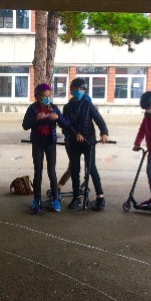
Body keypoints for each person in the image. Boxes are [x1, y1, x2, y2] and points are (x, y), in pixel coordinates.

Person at [62, 77, 109, 210]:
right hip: (73, 143)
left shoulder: (88, 105)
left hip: (89, 142)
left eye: (82, 89)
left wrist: (104, 133)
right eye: (77, 89)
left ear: (85, 91)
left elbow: (99, 120)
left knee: (91, 169)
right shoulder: (67, 107)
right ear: (71, 90)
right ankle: (76, 197)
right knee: (75, 169)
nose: (79, 91)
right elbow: (65, 125)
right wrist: (74, 134)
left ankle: (100, 198)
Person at [22, 83, 68, 212]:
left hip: (50, 142)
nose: (47, 98)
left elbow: (65, 123)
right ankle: (37, 200)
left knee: (51, 172)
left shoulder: (53, 108)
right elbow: (25, 125)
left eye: (49, 96)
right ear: (37, 97)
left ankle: (55, 200)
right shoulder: (32, 109)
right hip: (37, 142)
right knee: (38, 171)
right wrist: (37, 119)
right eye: (44, 96)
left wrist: (57, 117)